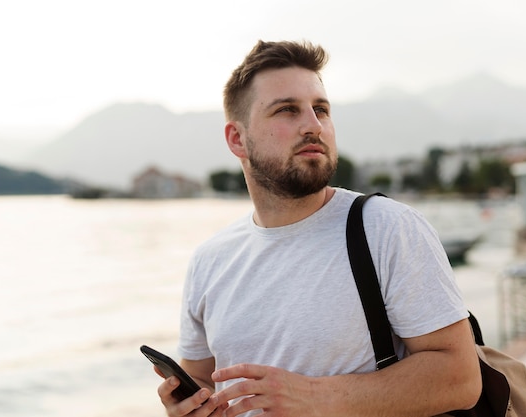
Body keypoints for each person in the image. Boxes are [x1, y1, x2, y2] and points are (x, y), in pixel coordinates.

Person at [154, 40, 482, 417]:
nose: (313, 125)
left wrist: (316, 396)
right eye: (287, 110)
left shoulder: (387, 228)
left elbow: (460, 378)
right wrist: (186, 409)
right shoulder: (209, 260)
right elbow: (201, 380)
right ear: (237, 139)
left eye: (321, 110)